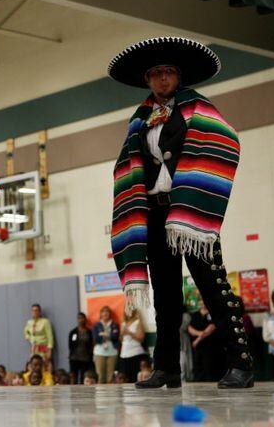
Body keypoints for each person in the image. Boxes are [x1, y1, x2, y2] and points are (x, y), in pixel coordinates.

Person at [108, 38, 253, 389]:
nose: (162, 79)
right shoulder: (139, 120)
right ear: (147, 80)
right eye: (155, 74)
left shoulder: (198, 109)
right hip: (154, 215)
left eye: (168, 72)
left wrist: (190, 185)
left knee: (213, 285)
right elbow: (129, 167)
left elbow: (225, 140)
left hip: (189, 212)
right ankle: (167, 368)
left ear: (178, 76)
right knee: (166, 295)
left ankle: (241, 364)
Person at [188, 304, 223, 381]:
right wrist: (200, 334)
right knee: (198, 364)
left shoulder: (212, 314)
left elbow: (211, 328)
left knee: (209, 364)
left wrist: (198, 340)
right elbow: (190, 328)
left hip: (210, 344)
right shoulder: (195, 314)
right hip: (198, 346)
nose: (203, 303)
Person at [119, 308, 149, 383]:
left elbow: (141, 338)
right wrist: (122, 334)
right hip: (124, 354)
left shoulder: (138, 322)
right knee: (126, 377)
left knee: (135, 377)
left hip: (135, 352)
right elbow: (121, 339)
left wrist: (129, 333)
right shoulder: (123, 323)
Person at [91, 306, 119, 384]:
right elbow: (96, 338)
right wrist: (109, 335)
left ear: (109, 314)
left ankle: (110, 395)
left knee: (110, 377)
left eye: (107, 311)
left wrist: (103, 334)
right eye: (103, 312)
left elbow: (115, 336)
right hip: (100, 352)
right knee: (100, 376)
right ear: (100, 314)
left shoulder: (114, 324)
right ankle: (101, 396)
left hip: (112, 352)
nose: (105, 313)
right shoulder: (96, 325)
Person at [23, 304, 54, 369]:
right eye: (33, 310)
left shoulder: (45, 322)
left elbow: (50, 336)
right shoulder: (29, 322)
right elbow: (26, 333)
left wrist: (50, 350)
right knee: (32, 366)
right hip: (34, 348)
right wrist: (29, 338)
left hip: (43, 347)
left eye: (36, 310)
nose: (35, 312)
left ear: (39, 312)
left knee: (44, 366)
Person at [68, 312, 94, 384]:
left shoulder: (89, 332)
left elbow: (91, 344)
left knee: (84, 377)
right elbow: (70, 345)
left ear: (85, 319)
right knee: (73, 377)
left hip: (85, 358)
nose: (80, 320)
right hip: (74, 358)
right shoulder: (73, 332)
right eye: (79, 318)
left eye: (82, 318)